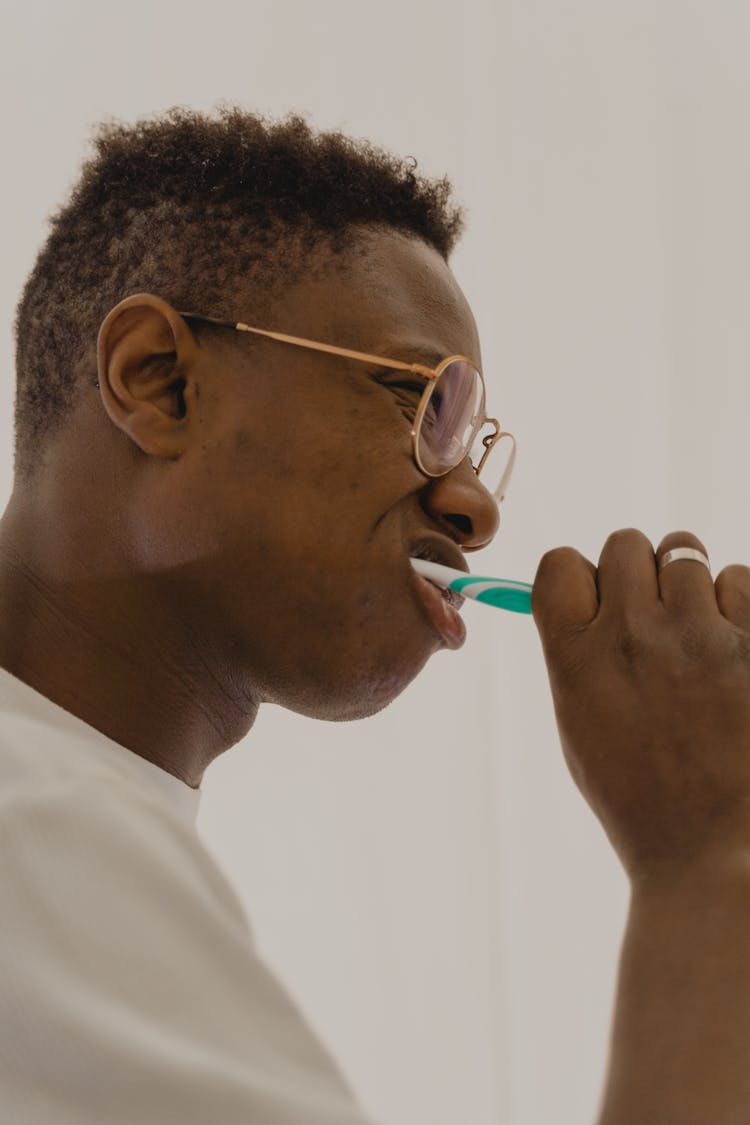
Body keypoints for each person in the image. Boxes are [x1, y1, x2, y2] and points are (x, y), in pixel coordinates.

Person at [0, 105, 748, 1124]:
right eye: (428, 404)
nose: (476, 508)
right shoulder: (38, 827)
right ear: (160, 382)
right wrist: (709, 857)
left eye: (479, 445)